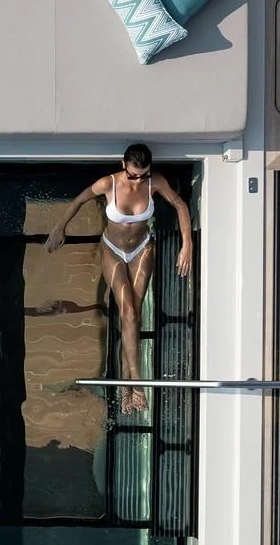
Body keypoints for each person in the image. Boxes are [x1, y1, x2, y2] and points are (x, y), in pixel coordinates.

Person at [44, 144, 193, 414]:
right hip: (113, 251)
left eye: (143, 174)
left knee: (132, 317)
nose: (138, 180)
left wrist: (187, 245)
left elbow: (180, 205)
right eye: (134, 175)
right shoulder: (108, 183)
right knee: (130, 314)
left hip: (142, 248)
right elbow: (78, 200)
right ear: (124, 164)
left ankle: (128, 390)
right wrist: (59, 228)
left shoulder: (154, 182)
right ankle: (135, 385)